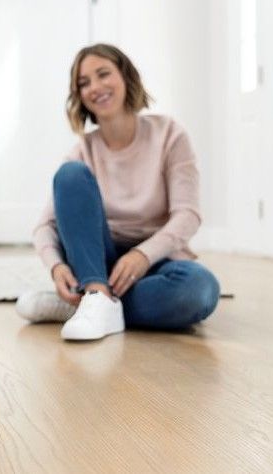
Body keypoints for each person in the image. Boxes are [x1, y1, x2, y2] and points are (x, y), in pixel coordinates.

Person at [16, 43, 220, 340]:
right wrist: (56, 266)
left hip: (154, 259)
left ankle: (85, 305)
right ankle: (95, 293)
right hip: (96, 262)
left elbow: (187, 215)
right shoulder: (82, 151)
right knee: (69, 176)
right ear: (80, 97)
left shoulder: (170, 135)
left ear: (126, 76)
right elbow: (44, 226)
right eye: (84, 83)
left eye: (103, 74)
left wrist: (142, 255)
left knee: (200, 290)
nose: (95, 87)